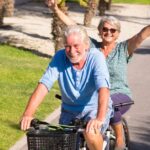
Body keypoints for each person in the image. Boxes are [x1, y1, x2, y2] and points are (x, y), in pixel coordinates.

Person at [45, 1, 150, 149]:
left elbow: (141, 35)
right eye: (105, 29)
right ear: (99, 31)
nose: (108, 33)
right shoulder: (91, 46)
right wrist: (55, 8)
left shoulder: (123, 49)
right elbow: (73, 27)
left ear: (118, 34)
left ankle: (120, 140)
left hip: (118, 93)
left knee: (108, 104)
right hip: (94, 97)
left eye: (113, 30)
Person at [20, 25, 113, 150]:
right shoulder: (60, 57)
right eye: (68, 46)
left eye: (76, 46)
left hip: (94, 109)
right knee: (63, 145)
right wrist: (28, 114)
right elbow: (44, 85)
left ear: (86, 45)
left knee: (91, 133)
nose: (71, 51)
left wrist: (99, 118)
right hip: (70, 111)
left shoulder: (96, 57)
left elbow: (103, 88)